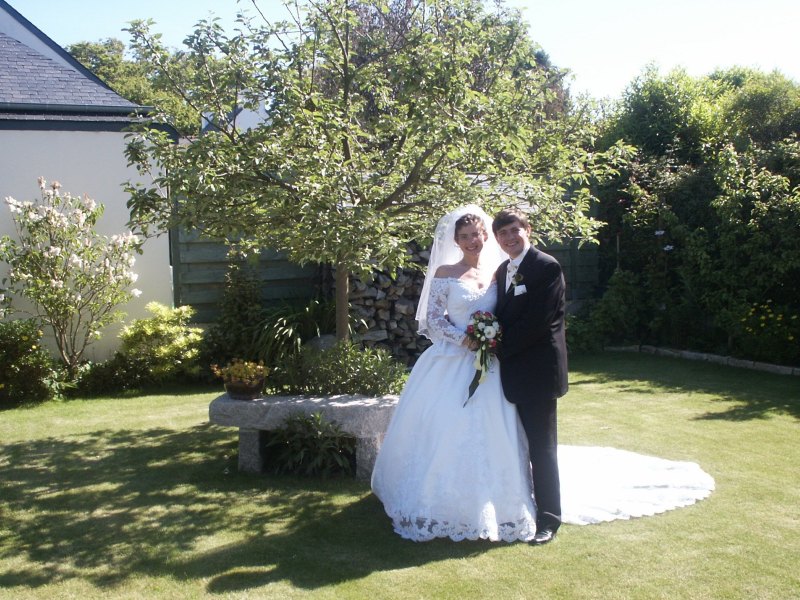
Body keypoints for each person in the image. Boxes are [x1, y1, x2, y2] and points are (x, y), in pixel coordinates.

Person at [371, 205, 538, 542]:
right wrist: (466, 339)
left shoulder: (499, 272)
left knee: (498, 427)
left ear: (485, 235)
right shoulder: (445, 273)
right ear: (456, 241)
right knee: (447, 427)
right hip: (452, 359)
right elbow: (434, 320)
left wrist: (491, 338)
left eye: (476, 234)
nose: (472, 240)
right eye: (464, 237)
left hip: (491, 361)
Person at [492, 208, 568, 545]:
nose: (509, 238)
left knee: (542, 447)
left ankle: (549, 519)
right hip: (510, 372)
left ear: (528, 229)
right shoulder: (502, 270)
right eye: (503, 234)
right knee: (515, 444)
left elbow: (539, 322)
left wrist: (496, 347)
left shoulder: (546, 266)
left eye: (514, 230)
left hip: (537, 370)